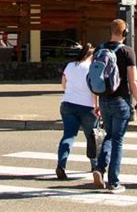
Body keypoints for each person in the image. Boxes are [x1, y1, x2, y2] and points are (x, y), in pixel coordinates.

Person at [92, 19, 137, 194]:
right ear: (125, 33)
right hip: (121, 101)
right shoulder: (127, 52)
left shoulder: (99, 50)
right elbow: (134, 80)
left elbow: (94, 78)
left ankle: (99, 168)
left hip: (104, 99)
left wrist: (96, 102)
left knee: (109, 135)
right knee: (118, 141)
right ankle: (114, 182)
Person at [55, 43, 98, 179]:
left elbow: (63, 84)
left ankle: (61, 164)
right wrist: (97, 106)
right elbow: (94, 90)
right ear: (91, 56)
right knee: (92, 137)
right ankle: (95, 165)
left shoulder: (70, 66)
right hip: (87, 106)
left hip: (68, 104)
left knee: (68, 136)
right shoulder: (92, 69)